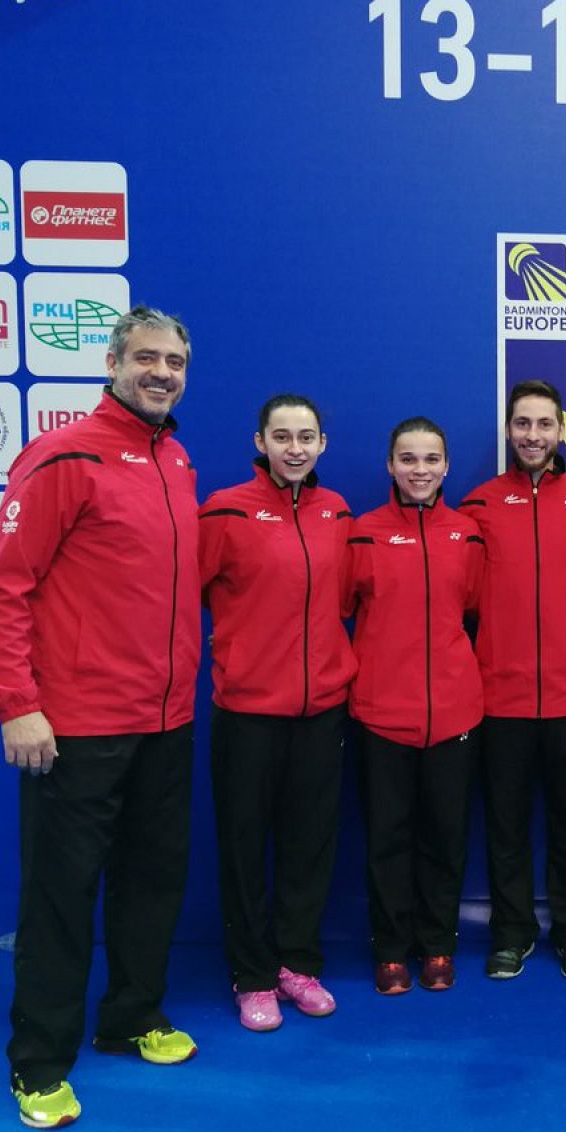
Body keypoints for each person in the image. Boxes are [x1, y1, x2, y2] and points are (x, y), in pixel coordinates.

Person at [0, 305, 200, 1130]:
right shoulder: (64, 454)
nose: (162, 372)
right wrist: (18, 705)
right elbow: (2, 590)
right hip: (76, 730)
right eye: (146, 357)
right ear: (112, 362)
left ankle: (132, 1015)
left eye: (175, 360)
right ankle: (37, 1064)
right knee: (61, 900)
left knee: (151, 883)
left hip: (166, 722)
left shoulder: (174, 457)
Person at [198, 393, 356, 1031]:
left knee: (309, 846)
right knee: (243, 848)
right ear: (260, 442)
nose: (295, 448)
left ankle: (297, 963)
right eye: (282, 436)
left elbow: (343, 599)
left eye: (307, 437)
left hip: (322, 709)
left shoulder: (337, 511)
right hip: (247, 711)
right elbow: (191, 597)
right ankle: (253, 974)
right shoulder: (225, 510)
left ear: (323, 444)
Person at [460, 380, 566, 982]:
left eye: (545, 424)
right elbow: (460, 602)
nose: (533, 435)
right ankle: (512, 934)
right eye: (523, 424)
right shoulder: (479, 506)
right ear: (510, 430)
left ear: (561, 430)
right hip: (502, 698)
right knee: (507, 827)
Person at [348, 417, 484, 995]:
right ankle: (391, 950)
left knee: (445, 840)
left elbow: (473, 607)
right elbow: (339, 607)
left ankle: (438, 947)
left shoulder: (469, 534)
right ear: (390, 465)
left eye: (431, 459)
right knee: (387, 840)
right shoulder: (362, 533)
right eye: (408, 459)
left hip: (454, 713)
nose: (420, 470)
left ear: (446, 466)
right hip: (382, 714)